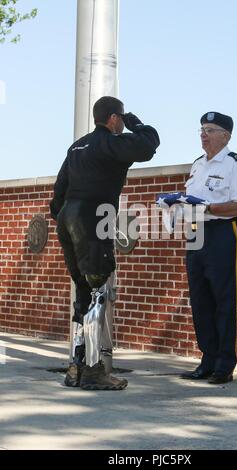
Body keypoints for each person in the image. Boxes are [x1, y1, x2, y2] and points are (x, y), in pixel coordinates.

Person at [50, 96, 160, 391]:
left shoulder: (77, 146)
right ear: (113, 119)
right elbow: (149, 145)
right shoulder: (111, 143)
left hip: (68, 217)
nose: (122, 123)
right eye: (121, 118)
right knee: (99, 290)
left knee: (82, 291)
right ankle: (95, 370)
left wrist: (65, 218)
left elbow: (58, 192)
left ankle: (76, 367)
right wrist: (136, 122)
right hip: (92, 218)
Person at [181, 112, 237, 384]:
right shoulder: (198, 164)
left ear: (226, 135)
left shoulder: (235, 164)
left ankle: (224, 364)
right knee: (200, 299)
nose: (203, 134)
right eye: (201, 129)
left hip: (223, 231)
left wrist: (207, 208)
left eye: (209, 129)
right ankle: (207, 360)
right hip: (196, 231)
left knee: (224, 299)